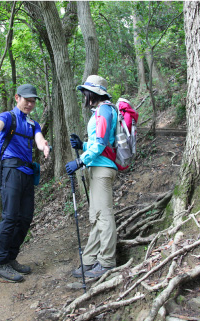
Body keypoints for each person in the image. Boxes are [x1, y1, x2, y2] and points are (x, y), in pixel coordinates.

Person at [0, 84, 50, 282]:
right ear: (17, 98)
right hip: (11, 170)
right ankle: (0, 263)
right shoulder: (8, 117)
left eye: (33, 100)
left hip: (27, 172)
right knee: (10, 217)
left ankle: (10, 258)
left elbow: (38, 138)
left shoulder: (32, 123)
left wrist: (44, 145)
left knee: (25, 217)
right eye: (27, 100)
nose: (30, 104)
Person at [65, 75, 118, 279]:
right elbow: (99, 143)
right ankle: (89, 259)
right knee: (96, 216)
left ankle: (106, 262)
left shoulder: (104, 110)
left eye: (85, 92)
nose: (83, 96)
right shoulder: (100, 111)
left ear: (93, 93)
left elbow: (102, 143)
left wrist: (80, 161)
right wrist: (83, 146)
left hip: (103, 169)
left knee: (104, 216)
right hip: (98, 166)